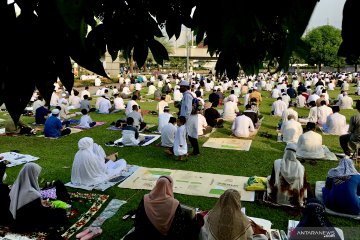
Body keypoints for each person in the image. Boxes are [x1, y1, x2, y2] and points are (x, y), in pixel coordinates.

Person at [124, 176, 195, 240]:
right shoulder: (174, 204)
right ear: (170, 186)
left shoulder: (145, 199)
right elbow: (178, 226)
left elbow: (139, 219)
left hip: (146, 234)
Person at [9, 163, 67, 233]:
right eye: (36, 175)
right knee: (60, 212)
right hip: (26, 224)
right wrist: (49, 206)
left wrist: (40, 202)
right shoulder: (33, 193)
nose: (37, 177)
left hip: (15, 220)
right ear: (32, 175)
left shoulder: (15, 187)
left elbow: (27, 205)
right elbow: (39, 213)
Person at [199, 189, 267, 240]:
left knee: (202, 230)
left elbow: (205, 230)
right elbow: (249, 236)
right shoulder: (243, 220)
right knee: (263, 238)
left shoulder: (212, 214)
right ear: (237, 202)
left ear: (222, 199)